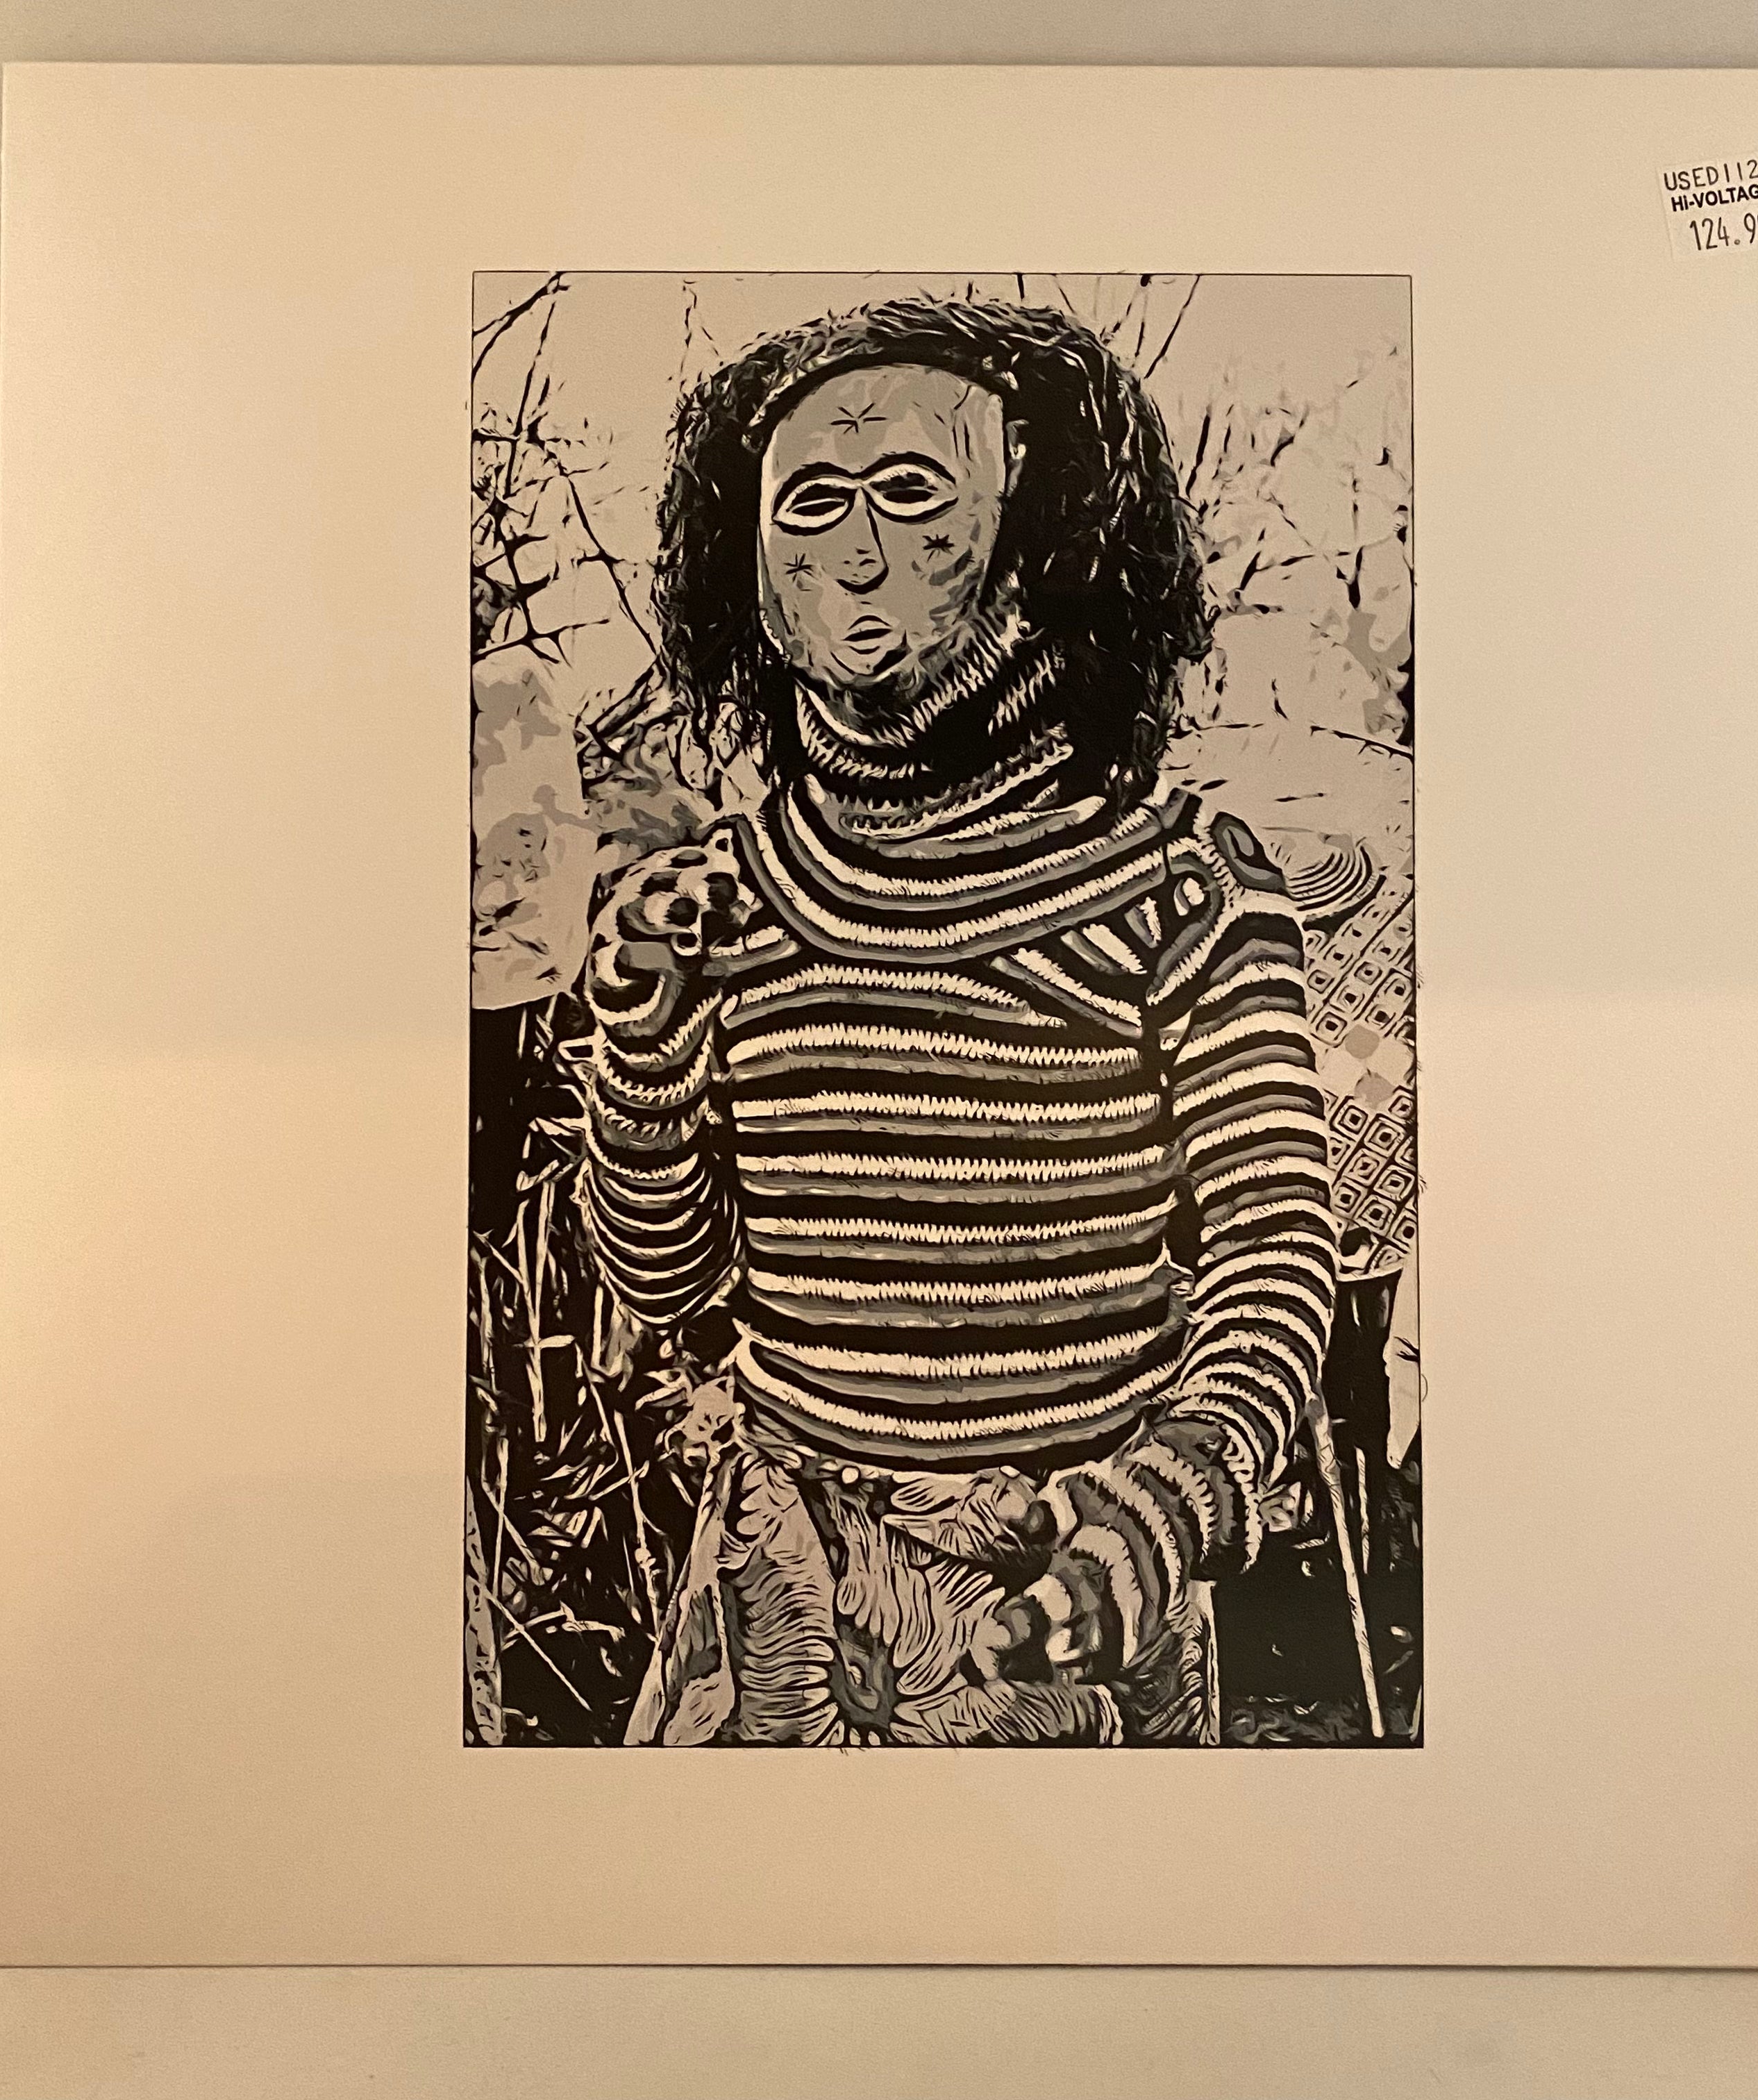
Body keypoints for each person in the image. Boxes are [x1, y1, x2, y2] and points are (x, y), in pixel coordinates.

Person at [578, 297, 1339, 1745]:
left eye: (913, 493)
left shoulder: (1181, 885)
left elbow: (1274, 1243)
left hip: (1078, 1575)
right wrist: (647, 1051)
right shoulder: (727, 895)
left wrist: (1175, 1492)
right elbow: (666, 1283)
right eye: (810, 505)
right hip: (782, 1596)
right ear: (749, 568)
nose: (857, 557)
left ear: (1042, 537)